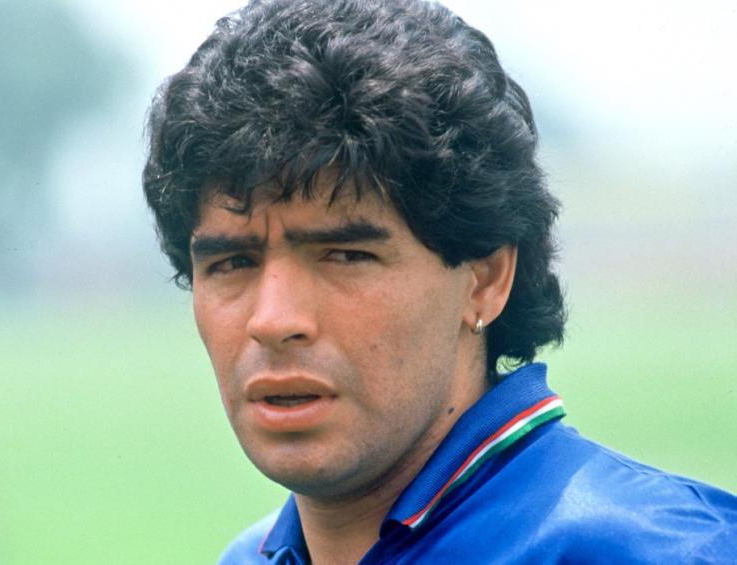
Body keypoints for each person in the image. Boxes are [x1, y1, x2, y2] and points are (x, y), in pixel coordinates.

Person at [142, 0, 737, 562]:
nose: (273, 320)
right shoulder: (251, 557)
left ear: (485, 279)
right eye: (232, 263)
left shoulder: (658, 553)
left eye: (345, 255)